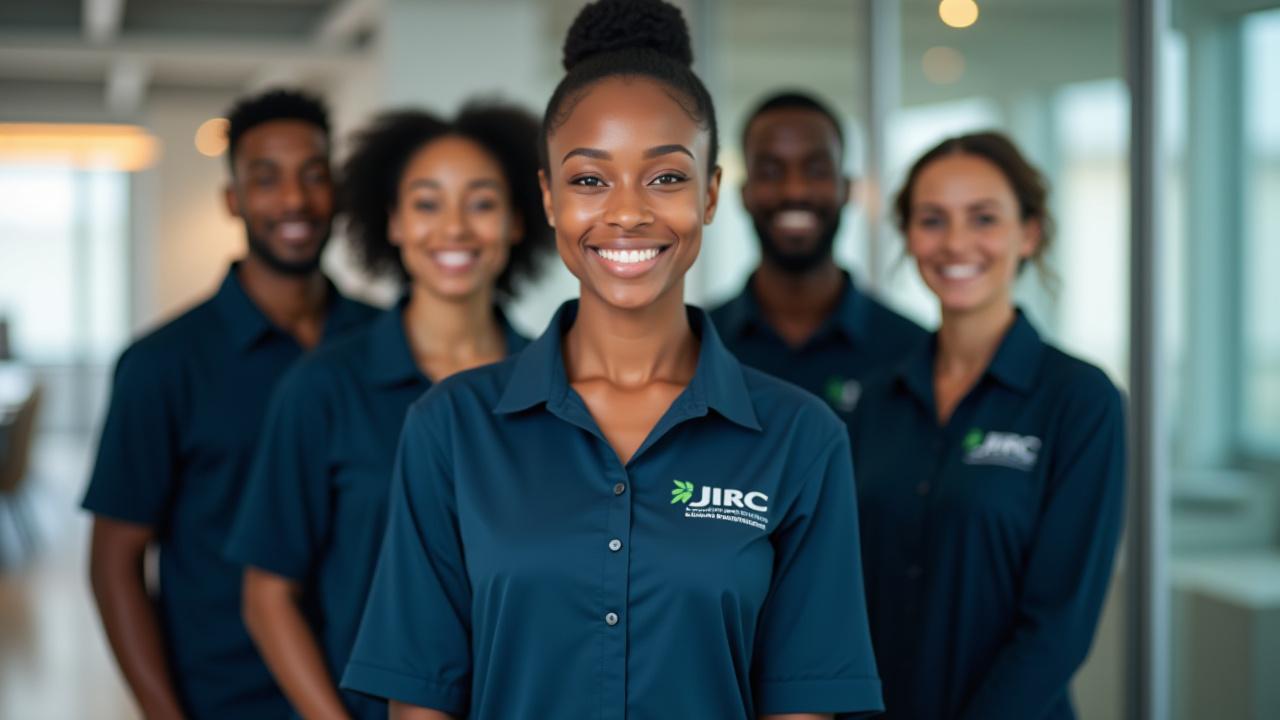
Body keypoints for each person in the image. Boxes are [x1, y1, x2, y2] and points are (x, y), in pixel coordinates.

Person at [338, 1, 884, 719]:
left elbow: (804, 703)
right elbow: (418, 699)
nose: (627, 213)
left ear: (711, 193)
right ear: (549, 198)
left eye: (666, 178)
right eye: (590, 180)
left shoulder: (801, 439)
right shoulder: (450, 428)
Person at [224, 102, 553, 720]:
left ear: (516, 221)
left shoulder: (560, 389)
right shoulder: (322, 388)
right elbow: (268, 595)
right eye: (427, 204)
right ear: (394, 222)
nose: (454, 228)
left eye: (481, 203)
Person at [82, 89, 378, 719]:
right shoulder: (163, 363)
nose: (294, 200)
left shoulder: (385, 344)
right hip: (227, 698)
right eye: (266, 179)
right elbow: (114, 563)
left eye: (313, 176)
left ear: (336, 192)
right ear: (233, 200)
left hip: (373, 693)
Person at [849, 131, 1126, 719]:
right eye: (932, 220)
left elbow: (1059, 627)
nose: (955, 243)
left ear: (1029, 233)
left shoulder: (1079, 401)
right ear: (908, 236)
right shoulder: (875, 400)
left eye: (983, 218)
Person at [710, 91, 925, 420]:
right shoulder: (694, 347)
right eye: (770, 172)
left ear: (847, 189)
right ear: (744, 193)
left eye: (816, 170)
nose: (794, 190)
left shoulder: (912, 351)